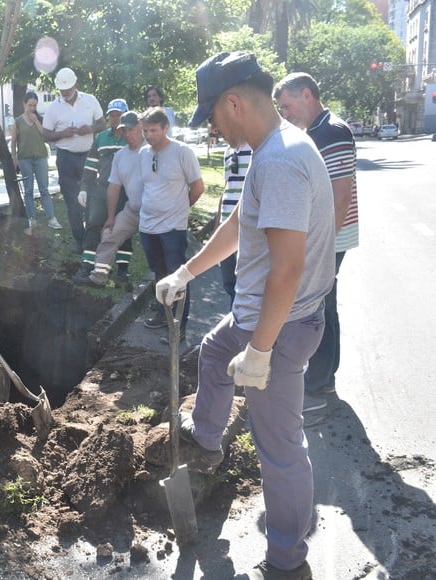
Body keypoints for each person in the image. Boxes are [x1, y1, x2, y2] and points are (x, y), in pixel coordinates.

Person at [155, 52, 335, 579]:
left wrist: (259, 352)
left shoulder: (280, 161)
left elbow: (288, 268)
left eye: (212, 115)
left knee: (279, 449)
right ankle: (207, 438)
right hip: (260, 317)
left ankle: (286, 562)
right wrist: (186, 271)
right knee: (213, 353)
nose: (212, 128)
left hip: (279, 327)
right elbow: (240, 224)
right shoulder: (271, 149)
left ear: (233, 103)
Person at [273, 72, 359, 415]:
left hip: (329, 237)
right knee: (325, 303)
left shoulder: (331, 132)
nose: (285, 113)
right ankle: (324, 378)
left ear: (307, 94)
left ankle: (317, 386)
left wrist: (322, 245)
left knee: (315, 307)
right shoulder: (318, 130)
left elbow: (340, 196)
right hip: (325, 236)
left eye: (287, 105)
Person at [138, 106, 204, 339]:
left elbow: (198, 187)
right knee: (159, 273)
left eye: (153, 130)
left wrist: (180, 209)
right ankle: (162, 314)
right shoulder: (143, 153)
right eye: (145, 131)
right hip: (148, 226)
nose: (148, 135)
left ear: (166, 127)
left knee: (177, 276)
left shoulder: (182, 152)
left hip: (173, 228)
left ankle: (179, 326)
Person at [42, 67, 107, 252]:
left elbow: (103, 123)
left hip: (88, 157)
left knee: (91, 198)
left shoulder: (90, 100)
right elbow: (45, 134)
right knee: (72, 201)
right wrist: (62, 133)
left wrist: (90, 129)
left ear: (76, 84)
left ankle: (92, 238)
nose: (65, 92)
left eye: (68, 89)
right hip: (66, 158)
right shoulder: (53, 108)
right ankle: (79, 240)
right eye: (62, 90)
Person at [73, 98, 131, 286]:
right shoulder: (100, 138)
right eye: (112, 115)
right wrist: (84, 189)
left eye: (118, 115)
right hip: (101, 189)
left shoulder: (132, 138)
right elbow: (90, 166)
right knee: (93, 224)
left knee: (123, 229)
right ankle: (87, 265)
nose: (115, 118)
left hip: (125, 191)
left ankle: (123, 270)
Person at [85, 110, 146, 287]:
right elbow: (114, 187)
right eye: (124, 130)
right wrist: (111, 217)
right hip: (132, 210)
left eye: (131, 129)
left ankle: (159, 282)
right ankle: (98, 276)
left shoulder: (152, 150)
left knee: (157, 247)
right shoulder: (120, 156)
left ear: (140, 127)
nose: (127, 134)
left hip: (154, 211)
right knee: (109, 233)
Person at [10, 91, 62, 233]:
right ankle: (32, 220)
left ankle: (52, 218)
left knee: (44, 189)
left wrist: (36, 122)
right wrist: (14, 158)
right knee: (28, 190)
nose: (32, 108)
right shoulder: (18, 121)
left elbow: (46, 137)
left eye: (34, 105)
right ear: (24, 104)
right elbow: (13, 141)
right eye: (30, 105)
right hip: (24, 158)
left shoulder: (40, 119)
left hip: (40, 157)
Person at [216, 143, 252, 307]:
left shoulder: (256, 147)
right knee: (229, 284)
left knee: (246, 287)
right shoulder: (229, 150)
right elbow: (227, 187)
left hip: (247, 229)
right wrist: (218, 226)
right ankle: (234, 318)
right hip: (226, 228)